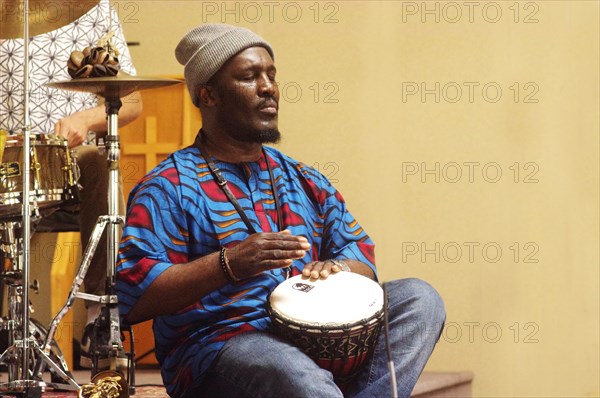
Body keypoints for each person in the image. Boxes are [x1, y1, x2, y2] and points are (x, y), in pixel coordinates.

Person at [116, 23, 445, 398]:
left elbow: (361, 256)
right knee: (292, 370)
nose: (268, 87)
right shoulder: (168, 186)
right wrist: (230, 263)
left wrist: (337, 269)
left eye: (271, 75)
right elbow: (135, 296)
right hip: (224, 345)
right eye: (249, 77)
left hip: (318, 341)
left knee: (420, 298)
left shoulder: (304, 178)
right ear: (208, 95)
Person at [0, 0, 142, 369]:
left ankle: (99, 314)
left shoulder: (90, 8)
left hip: (66, 159)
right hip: (5, 160)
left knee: (99, 160)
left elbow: (131, 100)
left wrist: (85, 117)